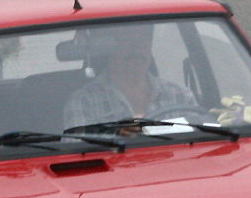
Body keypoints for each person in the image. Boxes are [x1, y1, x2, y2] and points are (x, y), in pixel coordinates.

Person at [62, 23, 197, 130]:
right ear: (108, 47)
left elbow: (200, 144)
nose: (136, 48)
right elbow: (82, 155)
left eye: (143, 39)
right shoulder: (84, 102)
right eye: (126, 39)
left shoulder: (180, 96)